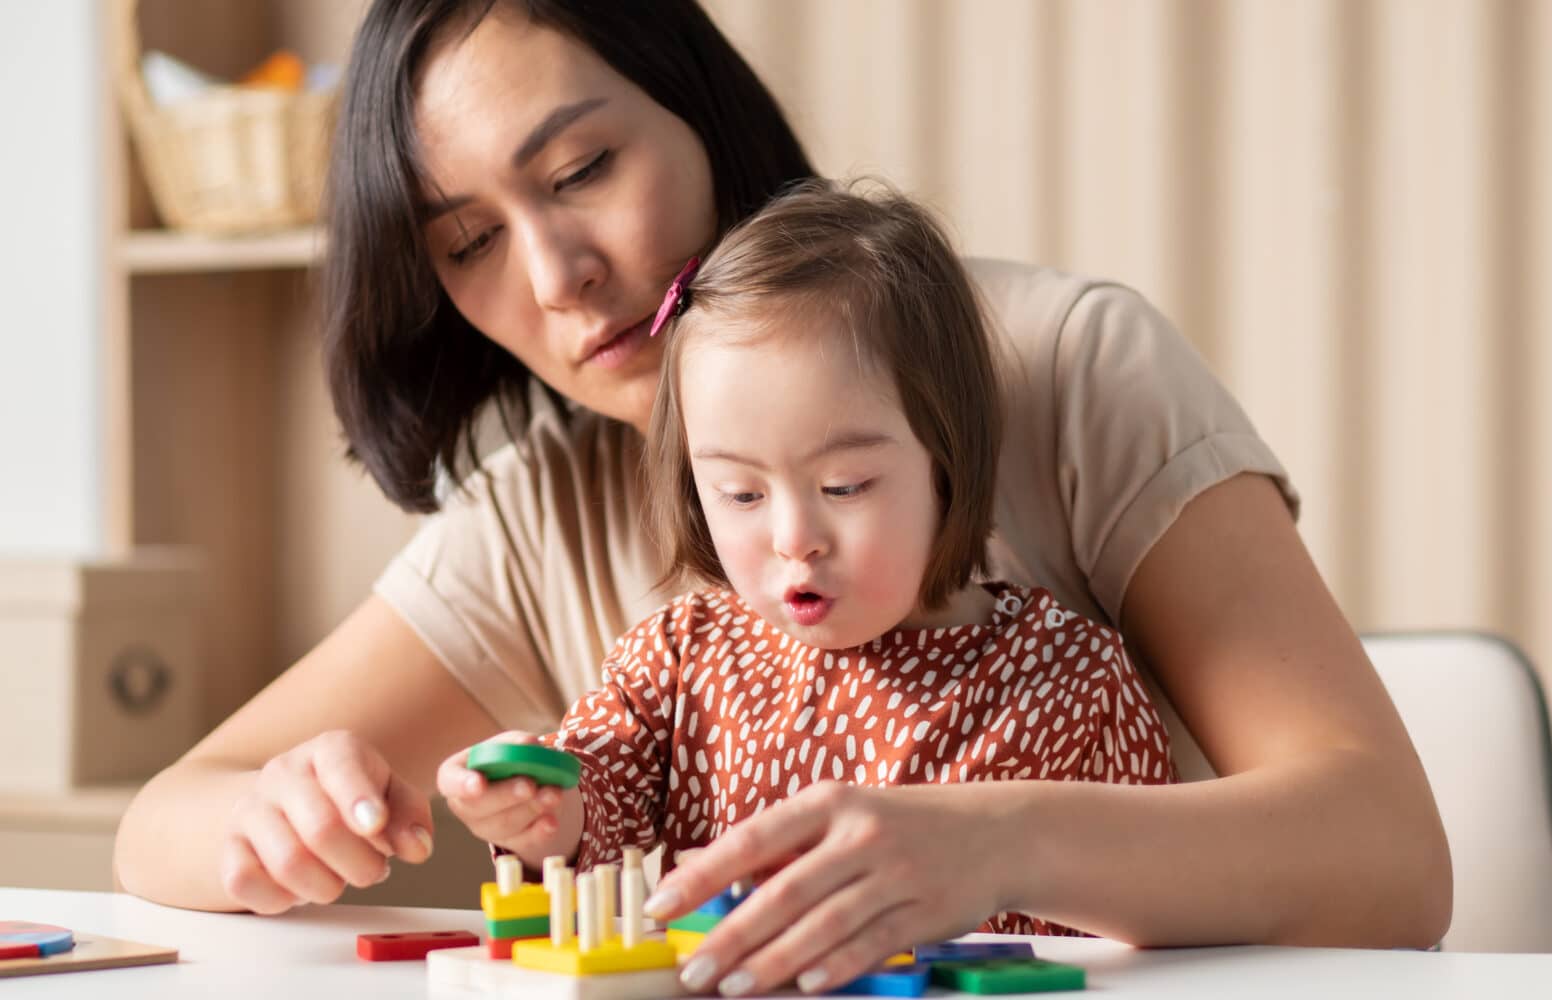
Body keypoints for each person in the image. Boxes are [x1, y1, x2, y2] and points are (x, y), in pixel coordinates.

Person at [113, 0, 1450, 993]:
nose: (559, 272)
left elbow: (1390, 861)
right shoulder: (544, 504)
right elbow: (163, 819)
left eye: (582, 171)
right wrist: (281, 816)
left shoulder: (1061, 365)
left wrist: (1001, 844)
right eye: (467, 242)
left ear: (701, 111)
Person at [438, 183, 1179, 992]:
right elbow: (595, 793)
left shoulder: (1071, 679)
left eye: (846, 485)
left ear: (946, 460)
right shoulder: (679, 662)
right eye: (742, 495)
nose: (794, 538)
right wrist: (536, 809)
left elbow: (1166, 903)